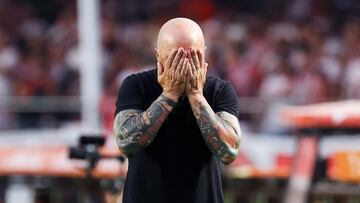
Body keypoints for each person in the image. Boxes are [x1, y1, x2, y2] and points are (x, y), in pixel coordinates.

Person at [113, 17, 242, 203]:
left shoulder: (219, 90)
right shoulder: (136, 85)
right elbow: (126, 143)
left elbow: (229, 151)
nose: (184, 65)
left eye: (192, 56)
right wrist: (170, 94)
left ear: (204, 55)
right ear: (158, 56)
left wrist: (196, 96)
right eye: (175, 57)